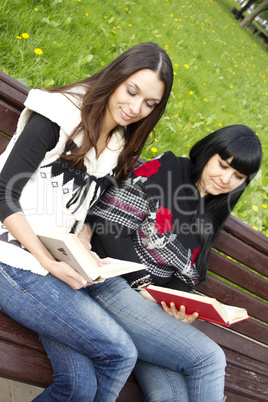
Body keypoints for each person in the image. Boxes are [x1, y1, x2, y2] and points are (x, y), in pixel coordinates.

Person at [0, 42, 174, 401]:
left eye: (149, 104)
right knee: (120, 353)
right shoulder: (59, 116)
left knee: (77, 385)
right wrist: (47, 260)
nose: (135, 108)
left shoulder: (117, 142)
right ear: (116, 77)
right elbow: (4, 193)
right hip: (11, 258)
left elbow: (84, 209)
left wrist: (81, 243)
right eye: (132, 91)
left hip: (52, 264)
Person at [86, 125, 262, 402]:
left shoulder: (211, 213)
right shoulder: (166, 170)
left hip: (149, 310)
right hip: (109, 284)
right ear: (208, 151)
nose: (226, 178)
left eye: (238, 175)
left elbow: (188, 274)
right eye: (223, 164)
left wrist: (177, 304)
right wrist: (143, 283)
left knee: (172, 395)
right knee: (209, 359)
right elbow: (109, 223)